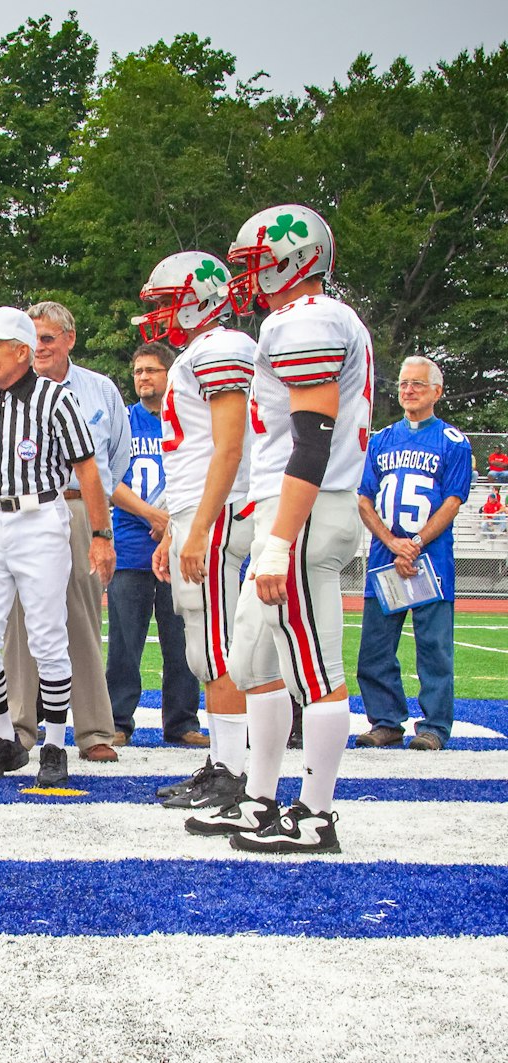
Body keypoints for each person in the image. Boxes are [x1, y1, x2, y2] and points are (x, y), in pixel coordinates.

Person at [197, 203, 371, 855]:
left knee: (315, 666)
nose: (246, 277)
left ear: (293, 257)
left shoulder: (311, 320)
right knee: (254, 659)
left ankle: (319, 814)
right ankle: (260, 797)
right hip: (284, 506)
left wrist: (278, 540)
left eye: (254, 262)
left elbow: (312, 440)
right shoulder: (292, 321)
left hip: (304, 508)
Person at [0, 306, 115, 788]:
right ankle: (3, 738)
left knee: (48, 637)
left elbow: (88, 468)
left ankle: (53, 743)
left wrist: (100, 535)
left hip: (40, 519)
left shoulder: (56, 399)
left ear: (21, 351)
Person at [134, 251, 257, 813]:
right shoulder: (203, 351)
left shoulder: (221, 348)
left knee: (218, 645)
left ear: (201, 297)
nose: (160, 314)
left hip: (220, 511)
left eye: (167, 301)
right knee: (205, 645)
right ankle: (227, 763)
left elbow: (230, 447)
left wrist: (200, 525)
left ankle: (235, 771)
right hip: (199, 512)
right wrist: (174, 530)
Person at [0, 301, 129, 763]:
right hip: (24, 511)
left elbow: (114, 461)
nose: (39, 349)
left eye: (48, 339)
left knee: (82, 618)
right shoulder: (5, 389)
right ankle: (19, 728)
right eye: (31, 341)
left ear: (70, 339)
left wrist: (100, 529)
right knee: (19, 621)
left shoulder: (100, 391)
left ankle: (94, 730)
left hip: (76, 508)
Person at [354, 356, 472, 751]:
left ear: (437, 391)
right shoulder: (382, 440)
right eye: (404, 384)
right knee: (374, 649)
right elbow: (365, 499)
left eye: (418, 384)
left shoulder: (452, 441)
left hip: (430, 561)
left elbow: (453, 500)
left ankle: (434, 727)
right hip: (386, 557)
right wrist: (393, 543)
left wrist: (416, 543)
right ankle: (386, 721)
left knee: (434, 649)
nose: (408, 390)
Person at [104, 341, 202, 746]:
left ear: (170, 374)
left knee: (181, 643)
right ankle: (117, 720)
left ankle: (182, 722)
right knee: (124, 645)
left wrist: (174, 525)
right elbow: (107, 479)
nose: (143, 378)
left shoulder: (189, 422)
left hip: (180, 549)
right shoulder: (123, 422)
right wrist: (151, 515)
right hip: (131, 547)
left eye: (151, 370)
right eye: (138, 371)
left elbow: (201, 479)